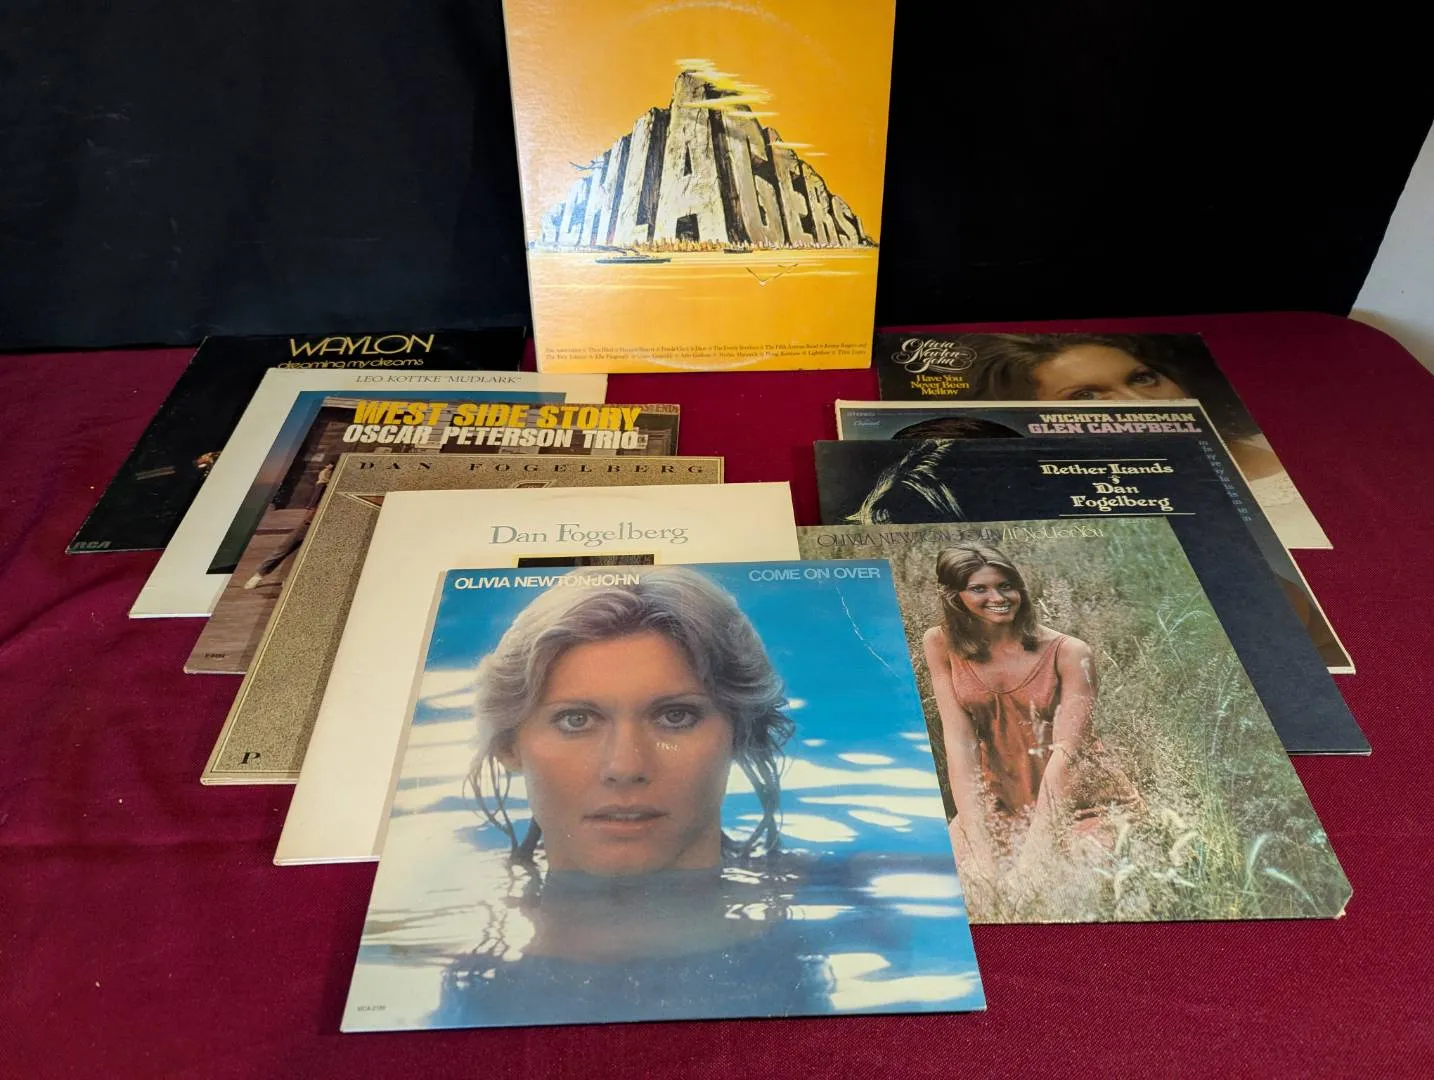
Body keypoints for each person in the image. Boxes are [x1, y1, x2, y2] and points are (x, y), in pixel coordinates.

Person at [434, 566, 834, 1024]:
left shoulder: (851, 904)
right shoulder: (436, 910)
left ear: (741, 732)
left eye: (675, 716)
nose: (625, 767)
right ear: (509, 744)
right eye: (576, 720)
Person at [920, 543, 1135, 909]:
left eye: (1006, 585)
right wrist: (984, 858)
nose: (998, 598)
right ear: (954, 597)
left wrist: (1030, 861)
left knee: (1064, 887)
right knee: (957, 888)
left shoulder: (1070, 652)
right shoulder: (940, 643)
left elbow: (1067, 756)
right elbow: (959, 746)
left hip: (1081, 802)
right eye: (979, 589)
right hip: (1001, 800)